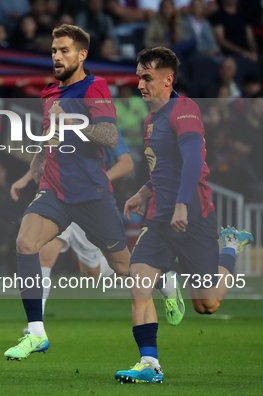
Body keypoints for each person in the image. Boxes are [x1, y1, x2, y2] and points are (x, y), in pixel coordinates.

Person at [115, 46, 253, 384]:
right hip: (159, 220)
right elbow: (162, 169)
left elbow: (192, 160)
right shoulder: (151, 120)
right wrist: (142, 193)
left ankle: (230, 245)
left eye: (147, 78)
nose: (140, 85)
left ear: (168, 79)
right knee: (138, 283)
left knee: (207, 305)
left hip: (194, 217)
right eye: (138, 77)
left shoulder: (185, 109)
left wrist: (180, 203)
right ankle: (150, 364)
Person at [3, 25, 132, 361]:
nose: (57, 56)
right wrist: (30, 173)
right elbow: (51, 141)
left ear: (81, 55)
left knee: (122, 268)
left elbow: (107, 135)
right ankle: (36, 333)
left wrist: (72, 122)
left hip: (90, 194)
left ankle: (165, 280)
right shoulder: (49, 93)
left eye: (63, 50)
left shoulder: (95, 87)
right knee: (26, 243)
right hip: (55, 192)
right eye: (53, 51)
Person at [11, 129, 184, 331]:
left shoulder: (103, 127)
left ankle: (164, 281)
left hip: (89, 204)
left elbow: (126, 163)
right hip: (58, 200)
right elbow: (49, 156)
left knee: (102, 271)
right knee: (41, 254)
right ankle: (35, 326)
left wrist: (92, 182)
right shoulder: (62, 123)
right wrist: (25, 179)